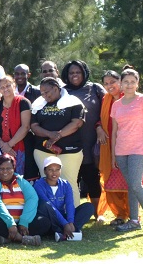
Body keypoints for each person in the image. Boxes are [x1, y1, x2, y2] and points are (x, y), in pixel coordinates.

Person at [111, 68, 143, 234]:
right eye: (126, 82)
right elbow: (114, 132)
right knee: (131, 185)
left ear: (137, 83)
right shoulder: (116, 105)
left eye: (132, 81)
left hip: (139, 149)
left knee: (135, 185)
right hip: (121, 151)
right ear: (121, 84)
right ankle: (133, 220)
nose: (129, 85)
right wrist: (113, 156)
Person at [30, 77, 86, 206]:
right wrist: (50, 135)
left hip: (70, 150)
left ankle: (73, 220)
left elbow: (77, 123)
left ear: (56, 88)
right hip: (43, 150)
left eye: (46, 92)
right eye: (42, 93)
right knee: (47, 183)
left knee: (69, 183)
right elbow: (34, 126)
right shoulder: (38, 104)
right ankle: (51, 218)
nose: (44, 96)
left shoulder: (73, 102)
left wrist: (57, 136)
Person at [61, 60, 106, 206]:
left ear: (84, 73)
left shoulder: (95, 89)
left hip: (92, 141)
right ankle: (74, 209)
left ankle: (96, 212)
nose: (75, 75)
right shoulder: (62, 91)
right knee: (71, 179)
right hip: (70, 142)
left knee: (92, 177)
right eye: (71, 72)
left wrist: (99, 126)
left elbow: (107, 110)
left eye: (78, 72)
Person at [0, 154, 45, 246]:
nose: (5, 171)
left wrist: (24, 221)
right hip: (3, 222)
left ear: (14, 168)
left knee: (44, 221)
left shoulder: (21, 181)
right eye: (1, 168)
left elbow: (32, 198)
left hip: (21, 222)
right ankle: (21, 238)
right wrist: (10, 223)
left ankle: (7, 238)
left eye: (8, 168)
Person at [33, 156, 95, 241]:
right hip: (49, 217)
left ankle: (68, 230)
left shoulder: (65, 184)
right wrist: (65, 224)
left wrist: (70, 222)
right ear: (45, 171)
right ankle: (65, 231)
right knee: (45, 210)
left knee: (89, 207)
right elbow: (50, 206)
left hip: (62, 217)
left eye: (57, 169)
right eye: (50, 170)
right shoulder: (38, 185)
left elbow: (70, 204)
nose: (54, 173)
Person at [96, 70, 130, 224]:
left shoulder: (129, 98)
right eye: (106, 83)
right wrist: (99, 128)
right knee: (111, 180)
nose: (109, 86)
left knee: (128, 181)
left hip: (128, 145)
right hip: (109, 146)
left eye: (112, 82)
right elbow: (99, 119)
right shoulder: (106, 99)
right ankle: (120, 214)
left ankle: (132, 214)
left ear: (120, 82)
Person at [0, 76, 32, 175]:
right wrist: (2, 144)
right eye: (2, 87)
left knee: (20, 178)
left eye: (8, 85)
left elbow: (25, 127)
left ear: (14, 85)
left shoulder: (23, 102)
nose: (5, 89)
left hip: (23, 146)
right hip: (2, 148)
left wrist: (9, 145)